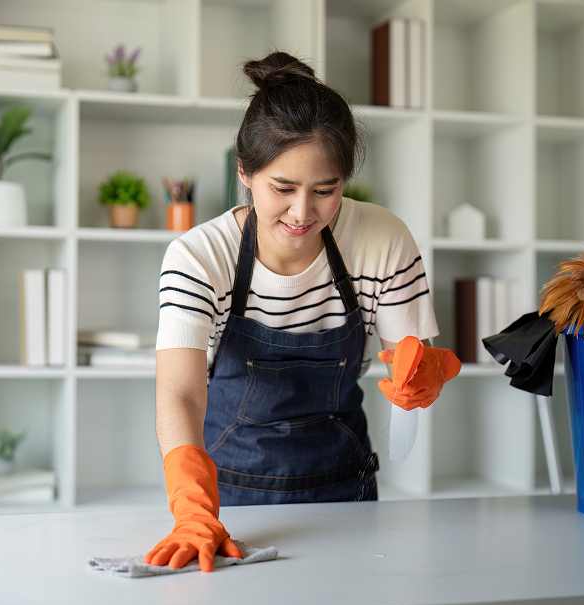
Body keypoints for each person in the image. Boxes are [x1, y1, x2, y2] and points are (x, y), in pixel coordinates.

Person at [144, 52, 460, 573]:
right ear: (244, 172)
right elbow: (178, 393)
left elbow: (406, 355)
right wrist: (192, 508)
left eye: (325, 190)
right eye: (282, 188)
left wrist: (421, 370)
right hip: (230, 503)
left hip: (346, 493)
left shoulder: (381, 238)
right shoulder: (200, 257)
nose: (301, 213)